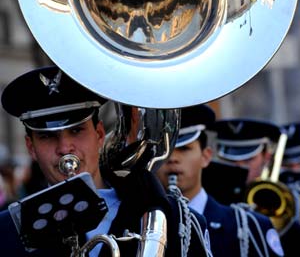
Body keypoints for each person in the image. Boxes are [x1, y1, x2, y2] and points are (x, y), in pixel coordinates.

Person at [0, 65, 211, 256]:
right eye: (47, 137)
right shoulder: (6, 232)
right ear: (31, 147)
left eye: (76, 130)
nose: (64, 148)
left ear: (100, 134)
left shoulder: (175, 219)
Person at [156, 104, 284, 257]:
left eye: (185, 149)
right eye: (165, 150)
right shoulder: (140, 223)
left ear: (206, 156)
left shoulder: (249, 227)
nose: (173, 158)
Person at [213, 117, 300, 256]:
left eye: (248, 159)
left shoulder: (281, 198)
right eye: (229, 159)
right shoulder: (211, 196)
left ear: (266, 156)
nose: (239, 166)